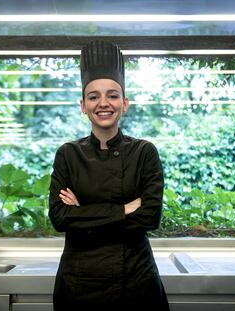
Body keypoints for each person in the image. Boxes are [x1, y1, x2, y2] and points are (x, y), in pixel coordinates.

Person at [48, 40, 169, 310]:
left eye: (112, 95)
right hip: (79, 286)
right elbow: (59, 217)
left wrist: (84, 214)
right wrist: (125, 208)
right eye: (94, 97)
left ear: (125, 103)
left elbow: (149, 217)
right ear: (83, 105)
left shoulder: (144, 152)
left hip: (136, 284)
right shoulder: (68, 154)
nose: (104, 103)